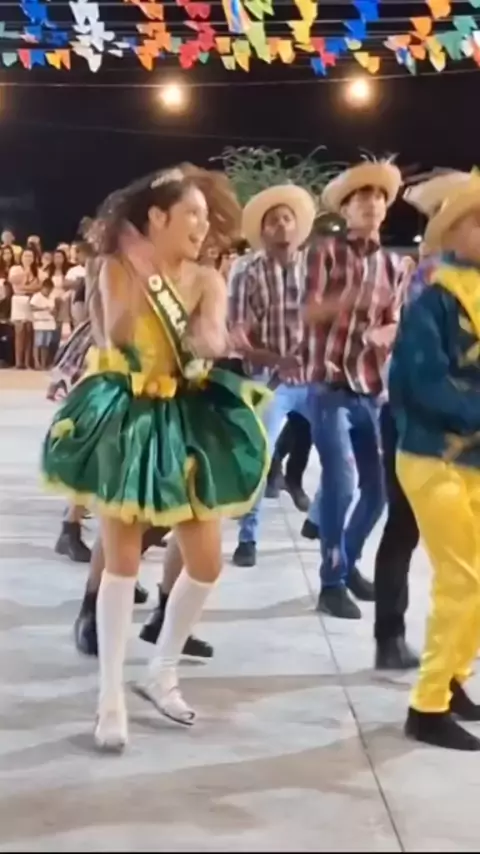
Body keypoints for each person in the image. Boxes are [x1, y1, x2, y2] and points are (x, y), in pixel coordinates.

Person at [42, 165, 269, 753]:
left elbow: (212, 338)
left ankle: (161, 669)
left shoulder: (207, 278)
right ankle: (109, 695)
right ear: (157, 217)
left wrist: (212, 340)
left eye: (205, 217)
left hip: (184, 419)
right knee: (121, 561)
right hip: (126, 415)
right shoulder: (115, 266)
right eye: (191, 214)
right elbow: (116, 333)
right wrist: (140, 272)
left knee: (207, 563)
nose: (202, 226)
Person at [390, 170, 480, 751]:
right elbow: (421, 382)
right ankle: (426, 706)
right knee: (463, 578)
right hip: (431, 455)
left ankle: (452, 678)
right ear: (453, 231)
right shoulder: (431, 298)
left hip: (473, 460)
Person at [373, 172, 468, 671]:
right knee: (405, 526)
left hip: (460, 431)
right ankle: (390, 634)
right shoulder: (428, 278)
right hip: (417, 425)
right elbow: (425, 373)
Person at [304, 158, 406, 620]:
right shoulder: (324, 254)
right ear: (345, 209)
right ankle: (331, 583)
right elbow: (307, 312)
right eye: (362, 197)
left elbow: (394, 319)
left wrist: (388, 331)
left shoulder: (392, 264)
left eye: (379, 197)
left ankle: (346, 562)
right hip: (328, 386)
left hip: (371, 389)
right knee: (341, 486)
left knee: (379, 490)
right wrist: (346, 299)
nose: (372, 204)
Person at [228, 184, 317, 568]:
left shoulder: (317, 267)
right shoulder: (246, 270)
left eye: (287, 218)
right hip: (268, 381)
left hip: (313, 379)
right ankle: (247, 538)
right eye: (273, 221)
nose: (281, 225)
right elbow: (236, 333)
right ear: (262, 231)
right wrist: (274, 358)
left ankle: (319, 522)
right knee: (259, 458)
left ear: (298, 227)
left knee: (342, 457)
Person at [30, 277, 57, 370]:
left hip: (49, 322)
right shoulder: (36, 297)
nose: (48, 292)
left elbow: (54, 309)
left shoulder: (52, 297)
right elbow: (31, 307)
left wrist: (53, 312)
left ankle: (43, 363)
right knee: (38, 343)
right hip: (39, 322)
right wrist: (43, 309)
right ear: (43, 288)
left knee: (46, 344)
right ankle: (36, 363)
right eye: (47, 289)